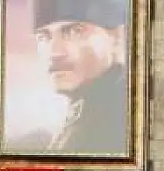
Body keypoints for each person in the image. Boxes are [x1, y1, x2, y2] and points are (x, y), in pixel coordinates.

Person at [23, 0, 129, 155]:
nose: (55, 52)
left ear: (116, 37)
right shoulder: (87, 114)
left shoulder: (120, 118)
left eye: (74, 31)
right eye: (43, 37)